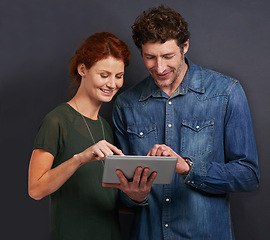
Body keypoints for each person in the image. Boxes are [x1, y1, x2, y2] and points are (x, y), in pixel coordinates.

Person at [111, 5, 260, 240]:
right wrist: (134, 195)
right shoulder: (126, 104)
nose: (159, 68)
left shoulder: (226, 93)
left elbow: (248, 175)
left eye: (168, 56)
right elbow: (119, 189)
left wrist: (189, 167)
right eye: (150, 57)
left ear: (185, 46)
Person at [28, 32, 131, 240]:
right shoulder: (57, 121)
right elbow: (36, 189)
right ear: (83, 69)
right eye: (104, 75)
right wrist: (80, 158)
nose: (112, 84)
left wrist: (138, 191)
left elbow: (103, 198)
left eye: (118, 76)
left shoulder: (105, 127)